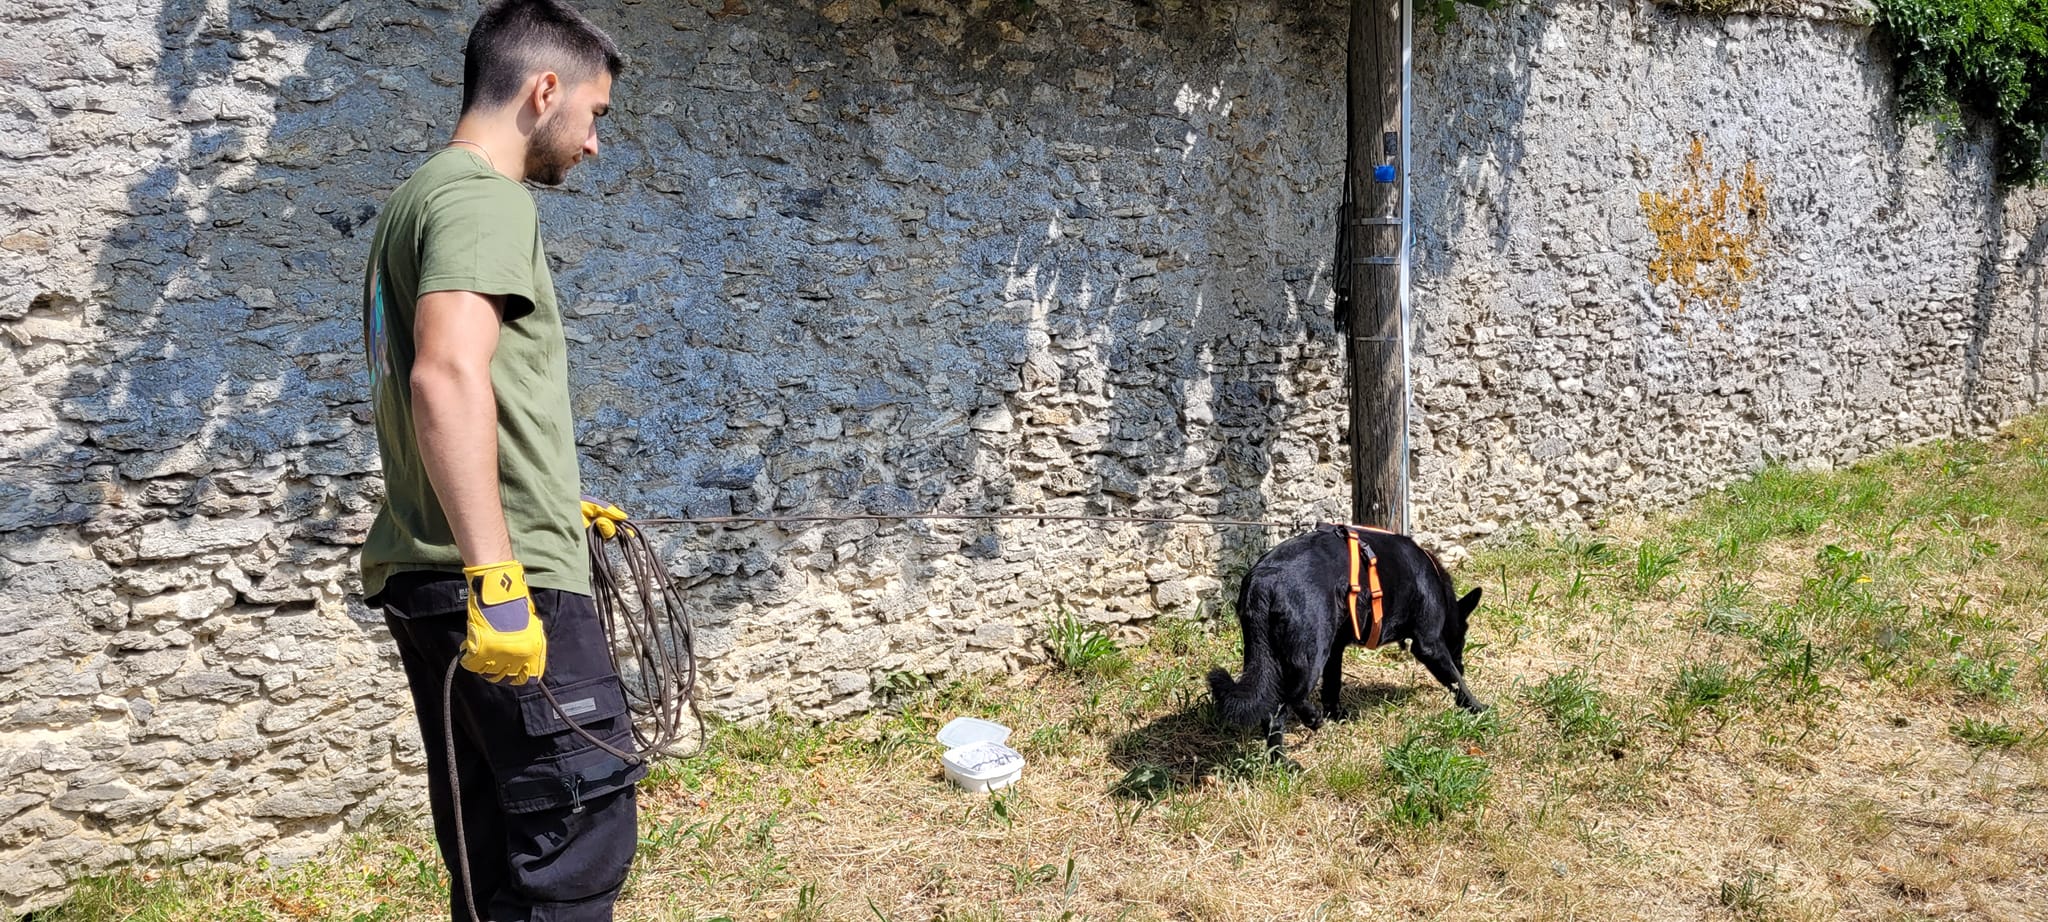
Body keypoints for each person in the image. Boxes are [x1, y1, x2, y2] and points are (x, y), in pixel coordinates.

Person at [356, 1, 640, 918]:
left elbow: (460, 386)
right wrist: (500, 573)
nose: (593, 143)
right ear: (544, 90)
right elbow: (444, 377)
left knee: (493, 856)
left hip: (434, 578)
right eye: (593, 114)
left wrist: (551, 496)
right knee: (573, 843)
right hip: (500, 585)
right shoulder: (485, 198)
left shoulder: (420, 197)